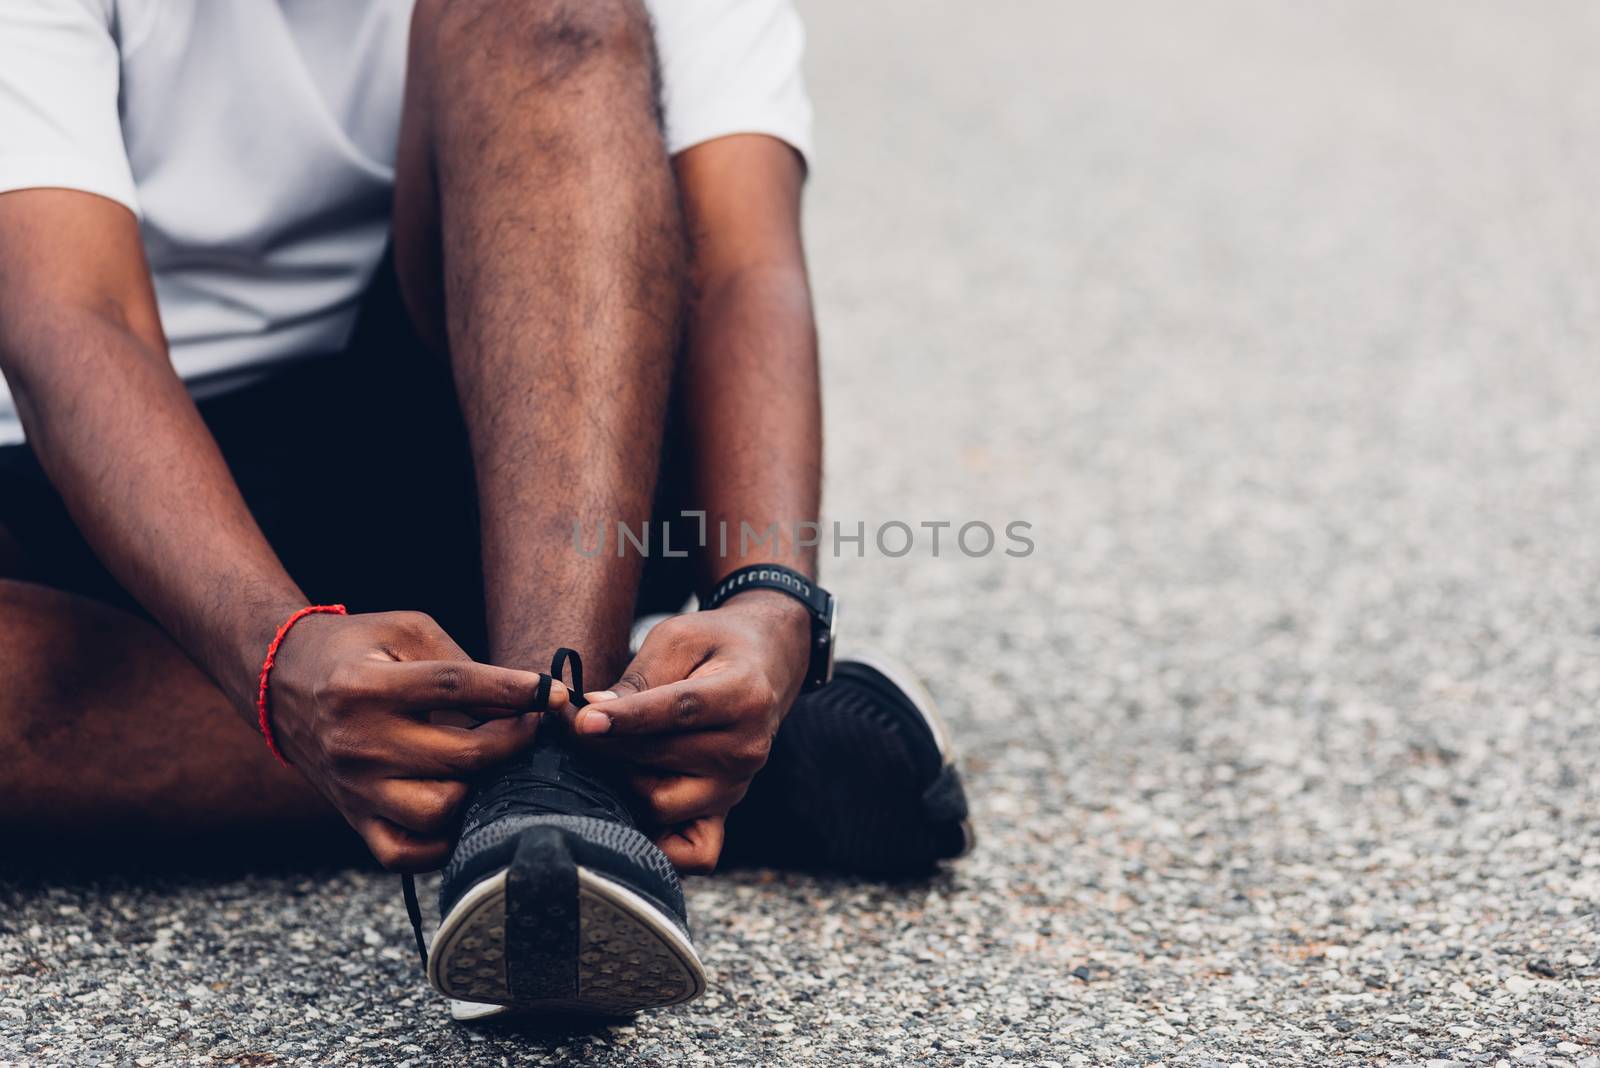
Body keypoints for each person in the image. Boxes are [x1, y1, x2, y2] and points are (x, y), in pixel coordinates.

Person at [0, 0, 971, 1018]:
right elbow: (75, 315)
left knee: (543, 11)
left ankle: (554, 786)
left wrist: (769, 600)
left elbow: (738, 259)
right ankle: (637, 760)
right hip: (112, 486)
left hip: (524, 442)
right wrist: (273, 655)